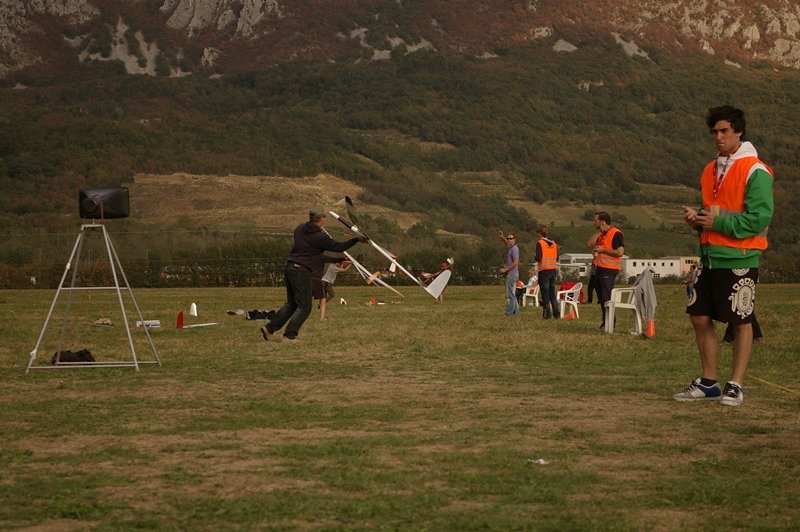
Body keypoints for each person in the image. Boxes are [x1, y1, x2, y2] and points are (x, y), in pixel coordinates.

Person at [674, 105, 774, 406]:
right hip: (709, 256)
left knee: (740, 320)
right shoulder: (710, 169)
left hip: (740, 257)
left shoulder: (756, 170)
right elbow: (715, 211)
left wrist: (715, 223)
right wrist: (698, 219)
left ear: (738, 131)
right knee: (699, 316)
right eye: (714, 132)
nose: (718, 137)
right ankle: (708, 382)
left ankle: (736, 384)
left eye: (724, 131)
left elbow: (759, 219)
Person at [260, 211, 366, 342]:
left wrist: (336, 259)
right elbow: (338, 247)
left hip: (289, 267)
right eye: (324, 220)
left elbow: (314, 253)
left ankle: (269, 328)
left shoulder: (299, 229)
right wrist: (356, 239)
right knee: (304, 307)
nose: (325, 222)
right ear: (320, 220)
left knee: (292, 303)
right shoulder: (320, 237)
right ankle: (289, 335)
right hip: (301, 271)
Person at [590, 212, 624, 330]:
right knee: (602, 299)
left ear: (603, 221)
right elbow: (590, 243)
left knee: (607, 298)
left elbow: (620, 252)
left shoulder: (616, 233)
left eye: (596, 221)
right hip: (599, 269)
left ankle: (610, 324)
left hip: (609, 270)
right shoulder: (603, 234)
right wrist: (596, 251)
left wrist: (603, 250)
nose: (594, 223)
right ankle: (605, 322)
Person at [534, 225, 559, 319]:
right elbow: (557, 257)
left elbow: (539, 258)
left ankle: (547, 314)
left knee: (545, 294)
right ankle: (556, 313)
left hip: (544, 270)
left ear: (539, 233)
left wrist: (535, 256)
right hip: (553, 269)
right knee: (552, 293)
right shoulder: (554, 244)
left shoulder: (540, 243)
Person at [498, 230, 520, 316]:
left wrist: (506, 269)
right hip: (512, 274)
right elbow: (506, 243)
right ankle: (515, 312)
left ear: (515, 239)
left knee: (510, 295)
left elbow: (515, 262)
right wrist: (502, 237)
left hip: (512, 275)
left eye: (511, 238)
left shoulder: (514, 249)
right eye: (508, 238)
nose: (509, 240)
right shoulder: (510, 247)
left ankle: (509, 313)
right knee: (512, 294)